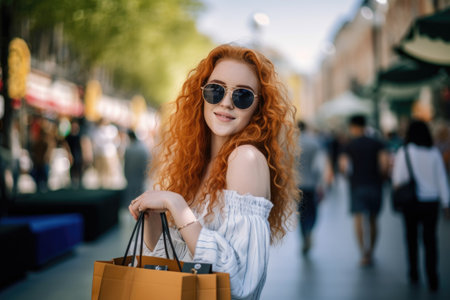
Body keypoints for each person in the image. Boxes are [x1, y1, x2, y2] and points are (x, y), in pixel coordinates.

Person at [128, 44, 299, 299]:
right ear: (201, 94)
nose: (226, 102)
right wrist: (153, 218)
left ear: (258, 107)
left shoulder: (245, 159)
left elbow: (239, 281)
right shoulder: (196, 161)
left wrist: (176, 205)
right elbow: (175, 259)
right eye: (215, 90)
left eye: (243, 95)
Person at [391, 120, 450, 292]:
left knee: (411, 238)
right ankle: (433, 277)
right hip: (431, 202)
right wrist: (446, 203)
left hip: (411, 202)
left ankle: (414, 273)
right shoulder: (434, 153)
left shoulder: (404, 152)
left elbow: (397, 180)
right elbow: (441, 180)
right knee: (430, 240)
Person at [338, 115, 389, 266]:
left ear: (353, 127)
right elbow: (384, 164)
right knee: (373, 219)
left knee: (358, 219)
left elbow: (343, 166)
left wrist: (349, 177)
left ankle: (363, 253)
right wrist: (382, 178)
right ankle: (371, 251)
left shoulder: (350, 145)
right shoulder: (377, 143)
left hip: (357, 185)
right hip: (375, 185)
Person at [297, 121, 332, 255]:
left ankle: (304, 235)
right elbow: (321, 165)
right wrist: (322, 183)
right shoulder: (315, 143)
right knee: (312, 210)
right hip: (312, 183)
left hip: (297, 185)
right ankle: (309, 231)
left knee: (301, 212)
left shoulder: (290, 144)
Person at [123, 129, 150, 207]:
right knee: (140, 193)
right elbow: (147, 163)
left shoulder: (129, 149)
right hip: (140, 174)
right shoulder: (143, 148)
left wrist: (126, 174)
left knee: (131, 195)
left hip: (131, 175)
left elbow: (126, 164)